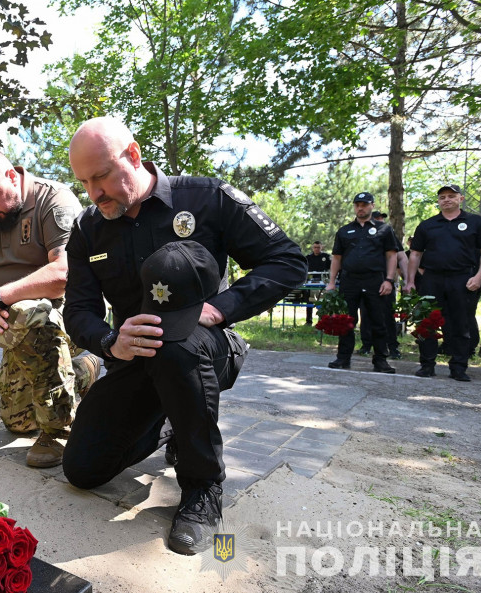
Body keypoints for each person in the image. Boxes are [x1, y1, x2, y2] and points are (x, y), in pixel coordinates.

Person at [61, 118, 306, 555]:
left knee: (176, 347)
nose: (94, 193)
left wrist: (221, 308)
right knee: (82, 469)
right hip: (133, 358)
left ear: (133, 156)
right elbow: (78, 309)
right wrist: (108, 341)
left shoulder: (205, 197)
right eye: (83, 182)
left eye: (100, 176)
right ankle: (169, 419)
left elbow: (286, 261)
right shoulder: (87, 230)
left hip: (205, 348)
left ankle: (202, 488)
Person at [0, 145, 100, 468]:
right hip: (18, 328)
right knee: (18, 421)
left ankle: (58, 429)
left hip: (70, 317)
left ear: (10, 174)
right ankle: (84, 370)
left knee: (31, 312)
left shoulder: (54, 200)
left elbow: (63, 273)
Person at [404, 184, 481, 381]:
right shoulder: (427, 225)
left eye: (451, 196)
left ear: (461, 199)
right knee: (427, 323)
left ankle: (459, 367)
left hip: (463, 279)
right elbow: (415, 254)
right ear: (438, 201)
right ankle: (427, 365)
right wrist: (410, 281)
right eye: (442, 197)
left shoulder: (476, 222)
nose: (446, 199)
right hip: (432, 279)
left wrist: (479, 277)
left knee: (461, 323)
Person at [325, 192, 398, 373]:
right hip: (350, 281)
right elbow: (336, 258)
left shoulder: (384, 229)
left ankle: (381, 360)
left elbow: (392, 256)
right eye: (357, 204)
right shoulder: (344, 231)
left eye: (364, 204)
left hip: (375, 280)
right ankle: (343, 357)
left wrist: (389, 280)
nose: (360, 207)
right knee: (346, 321)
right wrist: (331, 282)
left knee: (378, 321)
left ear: (372, 205)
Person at [357, 210, 407, 359]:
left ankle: (392, 347)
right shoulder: (360, 234)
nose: (380, 220)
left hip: (385, 280)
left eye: (382, 218)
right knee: (365, 315)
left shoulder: (388, 233)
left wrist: (407, 279)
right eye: (377, 218)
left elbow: (402, 257)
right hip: (364, 281)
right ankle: (366, 345)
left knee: (387, 315)